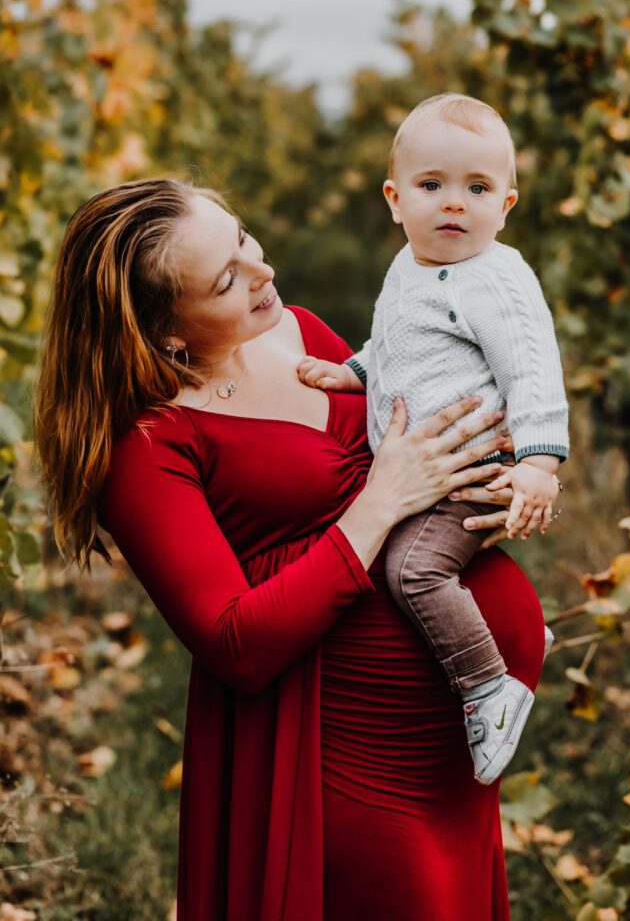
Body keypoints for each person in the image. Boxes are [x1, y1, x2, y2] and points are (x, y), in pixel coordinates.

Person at [33, 177, 553, 921]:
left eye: (242, 237)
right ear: (165, 332)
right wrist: (381, 505)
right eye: (225, 280)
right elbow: (232, 642)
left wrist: (504, 478)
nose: (262, 271)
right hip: (341, 753)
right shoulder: (147, 444)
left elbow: (411, 449)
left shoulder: (304, 332)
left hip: (449, 744)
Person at [297, 93, 567, 786]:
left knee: (413, 571)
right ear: (395, 199)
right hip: (427, 471)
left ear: (507, 203)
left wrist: (538, 461)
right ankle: (511, 630)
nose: (454, 204)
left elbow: (532, 368)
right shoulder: (410, 267)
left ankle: (489, 690)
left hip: (468, 468)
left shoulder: (495, 279)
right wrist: (351, 373)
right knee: (386, 545)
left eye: (477, 188)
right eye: (432, 186)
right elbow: (400, 350)